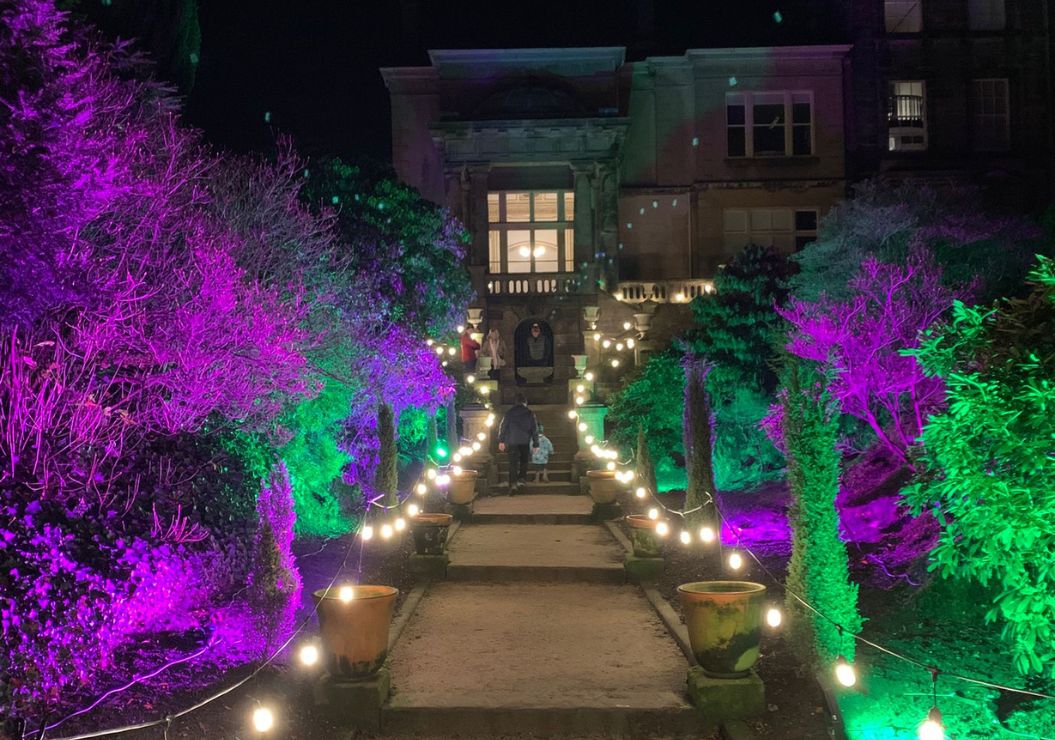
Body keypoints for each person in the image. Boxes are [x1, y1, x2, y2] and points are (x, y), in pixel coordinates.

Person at [497, 393, 538, 494]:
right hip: (525, 440)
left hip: (512, 440)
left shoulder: (509, 413)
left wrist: (501, 440)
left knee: (513, 463)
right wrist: (536, 443)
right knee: (524, 460)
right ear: (525, 402)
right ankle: (522, 479)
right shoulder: (529, 413)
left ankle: (513, 484)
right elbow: (534, 428)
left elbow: (503, 426)